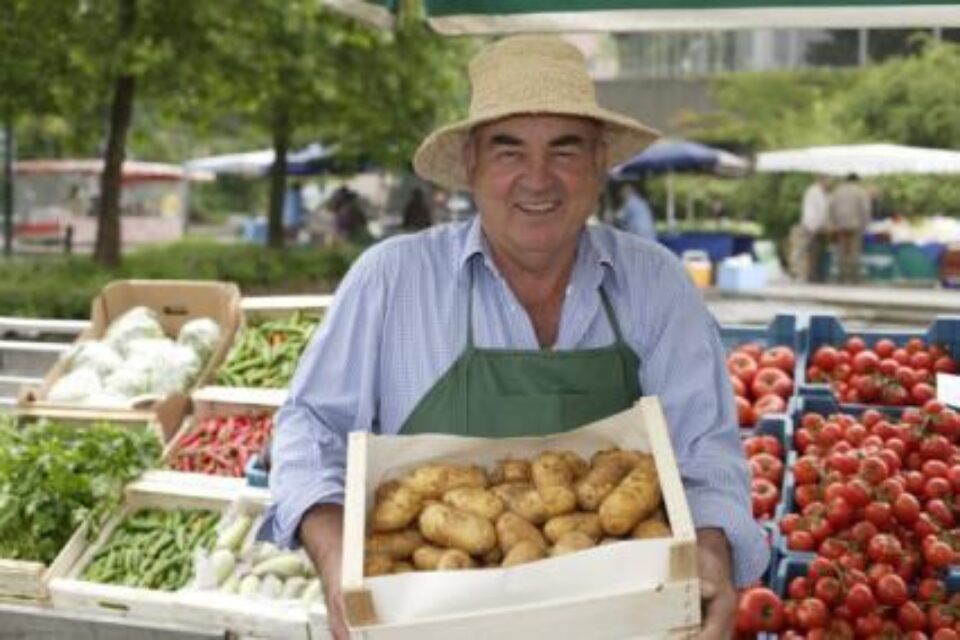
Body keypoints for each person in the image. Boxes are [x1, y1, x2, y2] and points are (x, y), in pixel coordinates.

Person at [266, 35, 766, 639]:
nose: (537, 179)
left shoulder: (657, 284)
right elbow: (309, 428)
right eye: (509, 151)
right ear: (471, 164)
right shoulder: (391, 280)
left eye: (564, 150)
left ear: (599, 163)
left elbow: (705, 451)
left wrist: (709, 554)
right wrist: (337, 563)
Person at [828, 173, 871, 284]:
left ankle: (841, 277)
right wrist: (865, 224)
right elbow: (865, 209)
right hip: (855, 225)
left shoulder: (837, 191)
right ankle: (853, 277)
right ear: (856, 180)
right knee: (854, 251)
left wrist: (834, 222)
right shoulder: (860, 191)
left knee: (842, 251)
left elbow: (831, 208)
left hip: (841, 225)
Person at [799, 175, 831, 282]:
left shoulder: (823, 192)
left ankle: (817, 274)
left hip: (820, 227)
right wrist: (815, 227)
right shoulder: (814, 192)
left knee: (820, 251)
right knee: (813, 251)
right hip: (812, 226)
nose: (829, 183)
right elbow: (814, 211)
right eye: (828, 180)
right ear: (822, 180)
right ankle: (811, 275)